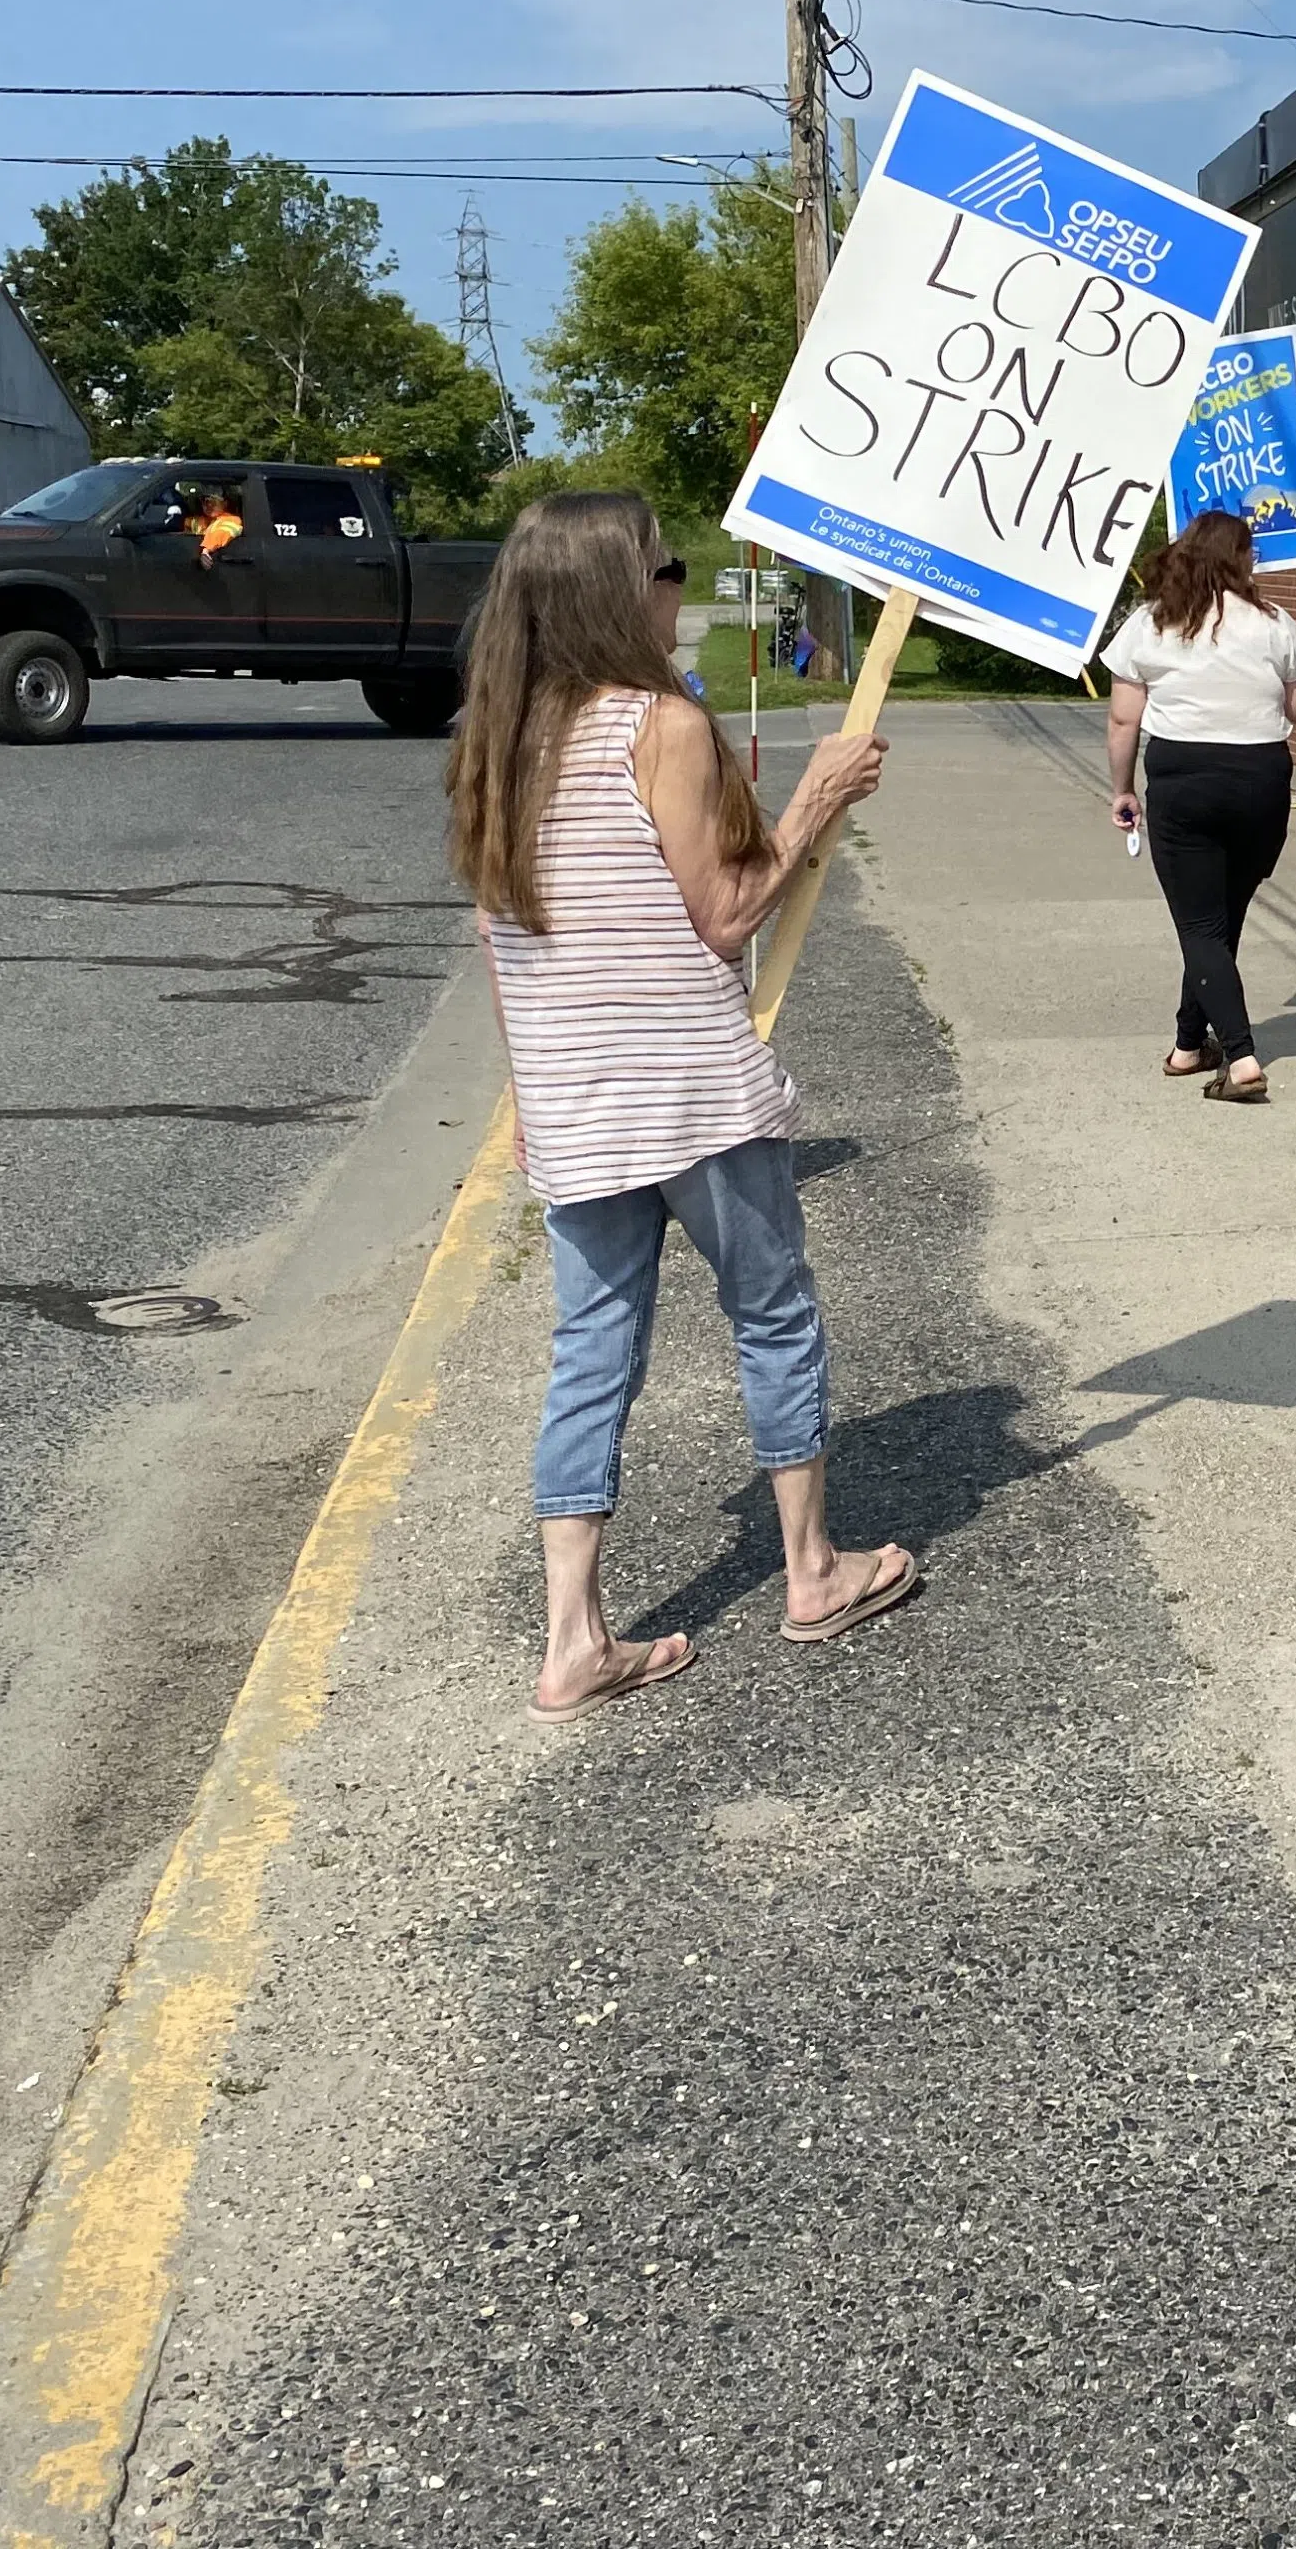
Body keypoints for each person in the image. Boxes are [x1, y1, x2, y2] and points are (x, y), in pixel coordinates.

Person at [447, 490, 913, 1722]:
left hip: (577, 1109)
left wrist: (539, 1110)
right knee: (772, 1313)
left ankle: (573, 1641)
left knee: (592, 1355)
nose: (678, 588)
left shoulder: (501, 740)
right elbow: (725, 913)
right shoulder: (662, 725)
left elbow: (502, 950)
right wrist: (819, 797)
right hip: (691, 1096)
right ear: (619, 591)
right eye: (667, 568)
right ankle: (811, 1571)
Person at [1101, 508, 1296, 1103]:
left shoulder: (1150, 623)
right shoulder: (1274, 623)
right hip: (1261, 779)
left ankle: (1242, 1057)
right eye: (1251, 552)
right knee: (1220, 922)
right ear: (1239, 558)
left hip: (1183, 778)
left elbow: (1125, 719)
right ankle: (1188, 1044)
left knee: (1200, 926)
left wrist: (1123, 789)